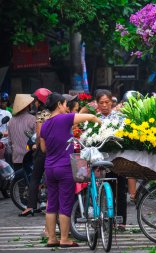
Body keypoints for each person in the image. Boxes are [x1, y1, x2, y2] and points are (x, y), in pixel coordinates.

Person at [40, 93, 101, 247]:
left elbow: (43, 148)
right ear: (59, 105)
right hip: (64, 167)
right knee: (65, 203)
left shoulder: (45, 124)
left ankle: (52, 238)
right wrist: (99, 121)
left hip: (50, 168)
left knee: (51, 204)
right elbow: (90, 117)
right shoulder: (65, 118)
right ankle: (65, 239)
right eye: (66, 104)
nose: (67, 108)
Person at [94, 89, 129, 223]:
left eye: (106, 102)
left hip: (119, 159)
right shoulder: (94, 119)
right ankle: (107, 219)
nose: (104, 105)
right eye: (101, 102)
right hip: (102, 160)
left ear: (111, 102)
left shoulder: (120, 118)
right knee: (104, 190)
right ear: (97, 104)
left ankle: (121, 222)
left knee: (120, 191)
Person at [19, 88, 52, 217]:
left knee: (35, 178)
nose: (35, 103)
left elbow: (39, 135)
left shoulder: (41, 115)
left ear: (40, 101)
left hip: (43, 150)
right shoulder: (54, 113)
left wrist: (37, 147)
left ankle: (30, 206)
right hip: (54, 149)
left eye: (36, 101)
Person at [8, 94, 36, 171]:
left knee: (19, 180)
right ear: (27, 105)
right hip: (29, 157)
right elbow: (37, 138)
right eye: (30, 104)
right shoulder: (32, 119)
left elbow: (10, 141)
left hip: (16, 158)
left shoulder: (11, 121)